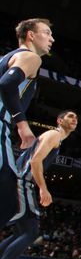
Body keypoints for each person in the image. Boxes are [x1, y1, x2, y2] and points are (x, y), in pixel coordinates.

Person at [0, 110, 77, 259]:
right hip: (22, 181)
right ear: (59, 120)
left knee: (21, 232)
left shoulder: (55, 138)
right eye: (70, 116)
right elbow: (35, 161)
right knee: (30, 232)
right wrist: (43, 188)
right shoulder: (54, 134)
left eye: (76, 118)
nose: (74, 119)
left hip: (19, 181)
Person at [0, 19, 54, 229]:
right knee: (10, 194)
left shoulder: (7, 57)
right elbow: (6, 84)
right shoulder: (31, 57)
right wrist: (22, 125)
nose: (52, 38)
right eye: (47, 33)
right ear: (31, 35)